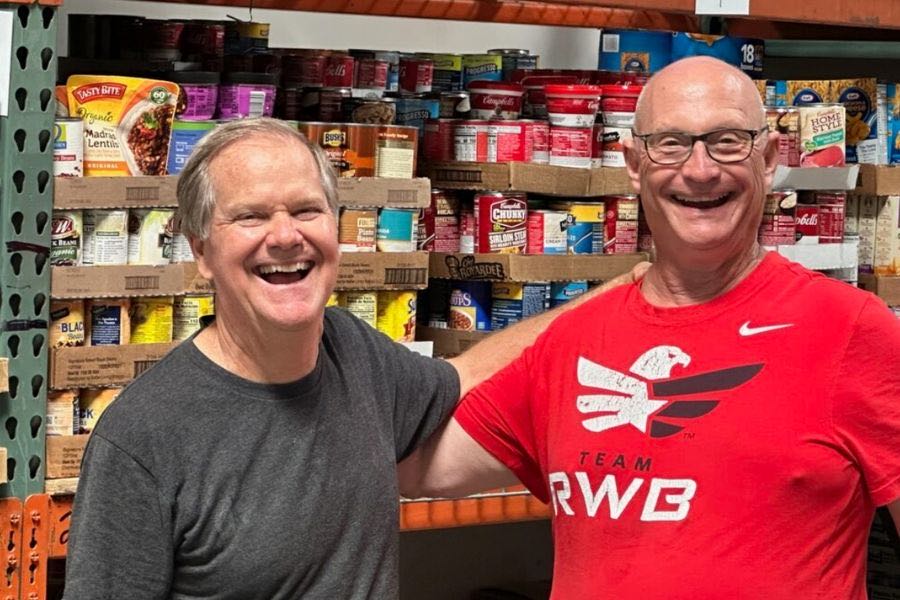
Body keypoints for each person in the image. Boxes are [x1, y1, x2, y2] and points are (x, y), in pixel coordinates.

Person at [62, 117, 640, 599]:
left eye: (307, 210)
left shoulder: (353, 351)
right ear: (201, 252)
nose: (286, 236)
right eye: (251, 216)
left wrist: (628, 292)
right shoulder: (143, 439)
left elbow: (465, 376)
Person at [399, 56, 900, 599]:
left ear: (771, 158)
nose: (701, 169)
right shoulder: (574, 341)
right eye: (670, 144)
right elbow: (416, 470)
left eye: (728, 141)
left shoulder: (851, 331)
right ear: (634, 163)